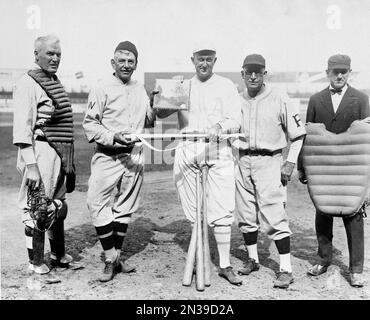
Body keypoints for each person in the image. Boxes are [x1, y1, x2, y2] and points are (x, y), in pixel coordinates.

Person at [157, 44, 243, 285]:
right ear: (192, 59)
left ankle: (225, 264)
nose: (204, 63)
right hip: (187, 146)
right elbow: (161, 115)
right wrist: (162, 94)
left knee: (222, 208)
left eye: (208, 58)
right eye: (199, 59)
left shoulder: (226, 85)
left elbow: (235, 120)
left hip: (218, 148)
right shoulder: (182, 85)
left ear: (215, 60)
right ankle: (198, 258)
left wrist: (220, 127)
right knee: (194, 209)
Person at [82, 41, 157, 282]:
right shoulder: (102, 87)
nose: (126, 65)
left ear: (136, 64)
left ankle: (113, 259)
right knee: (96, 202)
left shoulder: (140, 89)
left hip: (133, 153)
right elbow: (90, 124)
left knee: (125, 206)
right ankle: (110, 257)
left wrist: (155, 106)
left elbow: (148, 122)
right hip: (107, 153)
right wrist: (112, 135)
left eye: (131, 61)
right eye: (121, 61)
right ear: (113, 63)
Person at [233, 54, 306, 289]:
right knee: (245, 215)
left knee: (274, 214)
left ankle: (286, 268)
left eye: (258, 71)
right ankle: (253, 260)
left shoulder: (280, 97)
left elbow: (298, 135)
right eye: (249, 71)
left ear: (265, 73)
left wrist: (290, 162)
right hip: (243, 160)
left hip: (270, 160)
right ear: (242, 74)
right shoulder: (237, 99)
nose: (253, 75)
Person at [298, 54, 369, 287]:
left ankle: (356, 269)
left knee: (354, 214)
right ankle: (323, 259)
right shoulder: (316, 100)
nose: (339, 75)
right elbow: (306, 136)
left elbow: (366, 140)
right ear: (327, 72)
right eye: (335, 71)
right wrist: (302, 167)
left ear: (350, 73)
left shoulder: (361, 99)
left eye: (344, 71)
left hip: (351, 169)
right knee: (323, 212)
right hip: (323, 168)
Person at [13, 34, 79, 283]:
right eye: (50, 53)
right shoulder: (28, 82)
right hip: (39, 152)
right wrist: (31, 165)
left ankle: (58, 255)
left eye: (58, 54)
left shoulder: (53, 80)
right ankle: (36, 262)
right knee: (38, 206)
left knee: (57, 204)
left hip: (58, 153)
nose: (55, 58)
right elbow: (22, 128)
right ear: (36, 54)